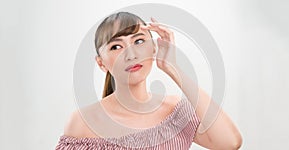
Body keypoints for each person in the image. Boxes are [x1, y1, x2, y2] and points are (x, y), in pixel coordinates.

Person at [55, 12, 242, 149]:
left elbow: (230, 142)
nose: (131, 54)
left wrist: (174, 69)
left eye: (138, 41)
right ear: (101, 63)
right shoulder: (83, 121)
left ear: (154, 48)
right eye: (116, 46)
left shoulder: (176, 112)